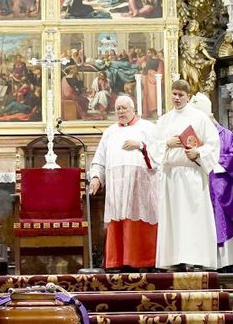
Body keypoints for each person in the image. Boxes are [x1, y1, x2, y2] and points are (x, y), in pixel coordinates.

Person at [88, 94, 161, 271]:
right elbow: (99, 159)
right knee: (119, 220)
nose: (121, 112)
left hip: (141, 184)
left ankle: (144, 261)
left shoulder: (148, 128)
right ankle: (118, 261)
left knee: (140, 221)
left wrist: (141, 145)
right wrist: (96, 177)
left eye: (124, 108)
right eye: (118, 109)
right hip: (117, 187)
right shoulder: (110, 132)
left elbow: (159, 153)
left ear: (133, 109)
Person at [154, 77, 220, 271]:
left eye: (180, 95)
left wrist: (197, 152)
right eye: (174, 94)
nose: (176, 98)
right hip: (171, 175)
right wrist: (167, 143)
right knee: (174, 219)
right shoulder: (165, 120)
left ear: (188, 96)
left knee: (193, 217)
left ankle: (196, 258)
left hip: (191, 174)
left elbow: (213, 143)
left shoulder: (199, 118)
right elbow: (153, 146)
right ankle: (174, 258)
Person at [204, 95, 233, 271]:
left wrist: (210, 161)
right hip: (202, 189)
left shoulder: (225, 135)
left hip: (223, 188)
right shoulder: (196, 136)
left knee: (223, 221)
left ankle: (227, 262)